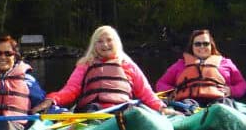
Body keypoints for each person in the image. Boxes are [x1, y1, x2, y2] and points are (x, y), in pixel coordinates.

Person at [40, 25, 174, 115]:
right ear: (94, 45)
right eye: (99, 41)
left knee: (133, 111)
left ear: (116, 42)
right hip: (93, 110)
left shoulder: (127, 64)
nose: (105, 44)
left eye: (109, 40)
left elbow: (145, 92)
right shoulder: (86, 64)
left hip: (121, 108)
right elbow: (71, 90)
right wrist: (52, 99)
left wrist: (161, 107)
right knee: (93, 110)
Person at [154, 29, 246, 113]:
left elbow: (241, 84)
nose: (202, 47)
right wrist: (172, 92)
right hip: (190, 101)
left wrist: (232, 90)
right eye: (198, 44)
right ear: (192, 47)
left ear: (211, 46)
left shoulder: (226, 63)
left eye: (206, 43)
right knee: (186, 105)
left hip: (219, 100)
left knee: (224, 104)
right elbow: (161, 83)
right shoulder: (179, 65)